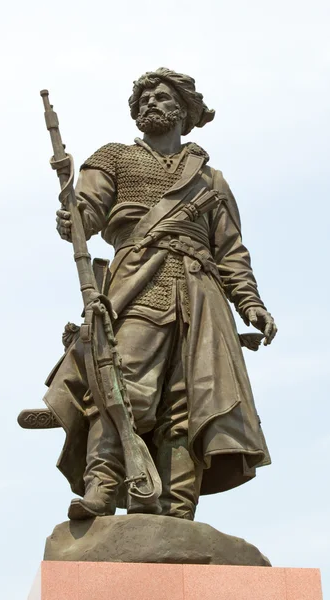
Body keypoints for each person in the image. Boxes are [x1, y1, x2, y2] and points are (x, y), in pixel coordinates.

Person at [46, 68, 277, 522]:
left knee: (188, 404)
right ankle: (104, 483)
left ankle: (176, 508)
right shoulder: (112, 158)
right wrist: (73, 216)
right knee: (120, 386)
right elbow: (85, 213)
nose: (151, 102)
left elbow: (230, 250)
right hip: (137, 285)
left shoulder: (211, 181)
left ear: (184, 110)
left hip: (201, 298)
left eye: (163, 96)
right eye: (144, 97)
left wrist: (250, 303)